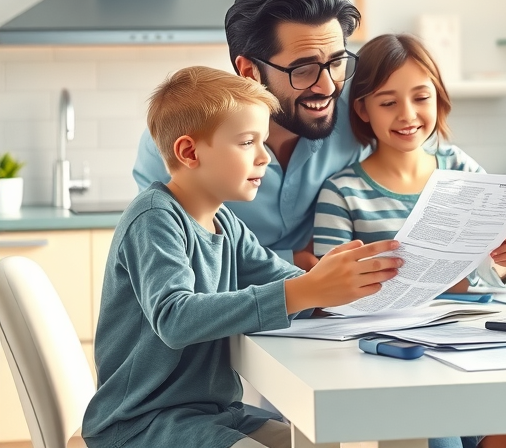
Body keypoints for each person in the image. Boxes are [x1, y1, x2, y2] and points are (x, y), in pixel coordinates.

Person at [83, 67, 404, 448]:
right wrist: (304, 291)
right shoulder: (154, 218)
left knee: (316, 441)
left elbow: (284, 281)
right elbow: (175, 318)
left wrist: (344, 285)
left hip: (214, 412)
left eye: (263, 142)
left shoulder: (225, 223)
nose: (264, 157)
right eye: (247, 142)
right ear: (189, 152)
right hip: (141, 422)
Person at [132, 0, 506, 273]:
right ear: (249, 70)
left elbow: (419, 145)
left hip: (322, 317)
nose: (327, 86)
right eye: (303, 69)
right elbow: (181, 261)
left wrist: (491, 248)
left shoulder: (358, 103)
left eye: (336, 62)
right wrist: (297, 263)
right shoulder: (183, 139)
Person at [313, 33, 506, 448]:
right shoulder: (341, 193)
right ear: (363, 109)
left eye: (420, 97)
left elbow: (488, 276)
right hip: (394, 357)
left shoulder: (463, 171)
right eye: (388, 102)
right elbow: (330, 298)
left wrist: (504, 259)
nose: (407, 114)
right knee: (439, 435)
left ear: (439, 98)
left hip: (469, 344)